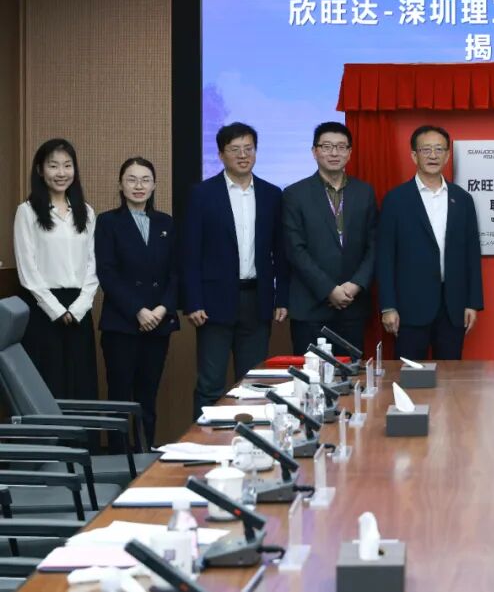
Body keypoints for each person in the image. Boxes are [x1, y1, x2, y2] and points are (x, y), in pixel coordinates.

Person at [182, 122, 289, 417]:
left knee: (253, 383)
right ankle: (204, 441)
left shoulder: (271, 194)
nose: (243, 155)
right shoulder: (202, 194)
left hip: (257, 300)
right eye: (235, 149)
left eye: (248, 149)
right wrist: (193, 301)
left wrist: (282, 297)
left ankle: (251, 439)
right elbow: (190, 252)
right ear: (221, 154)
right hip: (212, 303)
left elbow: (280, 252)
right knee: (211, 384)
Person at [377, 125, 482, 359]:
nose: (433, 155)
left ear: (447, 155)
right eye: (426, 150)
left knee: (450, 375)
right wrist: (388, 306)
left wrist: (472, 303)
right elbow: (385, 257)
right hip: (409, 307)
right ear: (414, 155)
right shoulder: (396, 199)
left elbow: (472, 254)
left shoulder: (462, 199)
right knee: (409, 374)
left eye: (439, 149)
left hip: (453, 306)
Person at [95, 157, 179, 446]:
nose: (139, 186)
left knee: (148, 397)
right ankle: (119, 459)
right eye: (131, 179)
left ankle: (145, 456)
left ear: (154, 185)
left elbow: (175, 272)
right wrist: (138, 311)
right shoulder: (107, 222)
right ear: (120, 185)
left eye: (145, 180)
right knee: (120, 398)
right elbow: (106, 273)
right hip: (122, 324)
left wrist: (162, 308)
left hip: (159, 323)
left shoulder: (166, 222)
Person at [14, 138, 99, 400]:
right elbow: (27, 270)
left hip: (79, 310)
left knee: (81, 384)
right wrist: (56, 310)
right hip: (43, 310)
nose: (61, 173)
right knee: (49, 385)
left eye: (67, 165)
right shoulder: (27, 212)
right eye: (53, 166)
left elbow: (93, 265)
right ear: (40, 170)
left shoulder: (86, 212)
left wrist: (79, 307)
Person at [282, 122, 377, 356]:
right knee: (311, 375)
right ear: (314, 151)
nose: (334, 153)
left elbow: (374, 244)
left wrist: (355, 285)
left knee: (352, 374)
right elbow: (295, 249)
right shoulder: (295, 194)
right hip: (311, 307)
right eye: (326, 146)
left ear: (349, 152)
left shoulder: (364, 192)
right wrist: (328, 289)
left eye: (341, 147)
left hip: (353, 306)